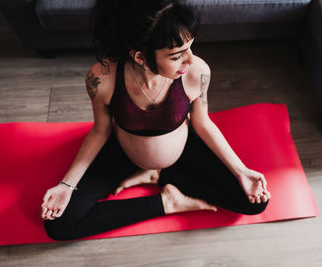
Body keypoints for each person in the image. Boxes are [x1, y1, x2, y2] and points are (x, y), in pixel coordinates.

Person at [40, 0, 271, 241]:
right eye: (177, 55)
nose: (189, 60)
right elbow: (100, 131)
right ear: (140, 57)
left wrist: (241, 171)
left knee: (254, 202)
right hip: (124, 154)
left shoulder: (196, 72)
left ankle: (159, 176)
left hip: (182, 153)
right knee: (59, 225)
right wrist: (66, 186)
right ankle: (166, 202)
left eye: (191, 47)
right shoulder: (102, 78)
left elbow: (203, 124)